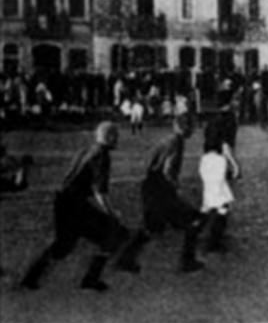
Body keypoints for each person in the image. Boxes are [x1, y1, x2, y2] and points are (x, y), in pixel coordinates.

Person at [20, 122, 131, 291]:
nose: (118, 140)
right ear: (109, 137)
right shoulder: (102, 156)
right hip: (75, 205)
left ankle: (30, 278)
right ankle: (91, 279)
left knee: (63, 245)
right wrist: (112, 213)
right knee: (116, 233)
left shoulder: (85, 150)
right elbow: (100, 192)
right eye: (116, 136)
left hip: (63, 202)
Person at [114, 114, 205, 274]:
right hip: (161, 190)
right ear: (186, 128)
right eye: (192, 127)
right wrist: (175, 189)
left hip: (150, 187)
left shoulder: (166, 140)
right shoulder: (177, 142)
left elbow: (149, 161)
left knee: (152, 227)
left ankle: (125, 258)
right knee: (194, 219)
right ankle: (187, 261)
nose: (194, 130)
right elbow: (168, 170)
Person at [199, 96, 241, 254]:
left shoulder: (212, 120)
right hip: (217, 161)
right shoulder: (229, 120)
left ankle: (198, 233)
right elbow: (225, 145)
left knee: (209, 202)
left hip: (206, 161)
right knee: (222, 204)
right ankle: (212, 241)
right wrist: (234, 165)